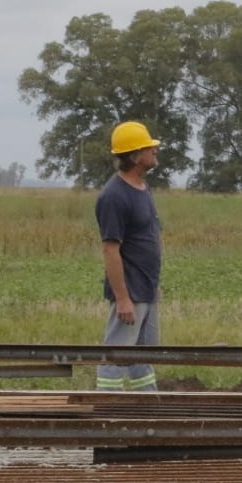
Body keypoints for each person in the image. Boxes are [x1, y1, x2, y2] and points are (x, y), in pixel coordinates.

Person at [94, 121, 163, 391]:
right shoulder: (113, 196)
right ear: (135, 156)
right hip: (130, 291)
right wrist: (123, 298)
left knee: (144, 355)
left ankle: (148, 404)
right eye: (149, 147)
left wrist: (153, 286)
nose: (155, 150)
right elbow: (110, 249)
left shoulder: (143, 188)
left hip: (146, 289)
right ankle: (105, 405)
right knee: (117, 353)